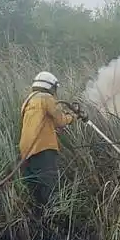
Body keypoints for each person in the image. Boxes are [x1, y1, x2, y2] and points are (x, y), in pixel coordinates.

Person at [18, 71, 86, 231]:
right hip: (43, 150)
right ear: (51, 87)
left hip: (26, 153)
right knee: (49, 189)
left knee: (35, 192)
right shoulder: (46, 98)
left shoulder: (29, 101)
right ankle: (53, 226)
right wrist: (73, 117)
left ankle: (38, 225)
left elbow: (43, 122)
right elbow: (60, 121)